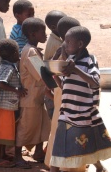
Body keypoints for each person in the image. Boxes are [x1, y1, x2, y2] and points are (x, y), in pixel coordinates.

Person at [50, 26, 111, 172]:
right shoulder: (69, 61)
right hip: (66, 111)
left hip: (84, 113)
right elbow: (65, 86)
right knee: (58, 146)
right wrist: (55, 76)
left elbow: (95, 82)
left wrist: (75, 69)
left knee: (86, 144)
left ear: (80, 44)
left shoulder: (89, 60)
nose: (65, 45)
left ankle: (99, 167)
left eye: (68, 42)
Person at [44, 16, 82, 171]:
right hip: (64, 91)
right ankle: (61, 165)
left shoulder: (69, 48)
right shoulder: (62, 49)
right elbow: (50, 69)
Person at [15, 17, 51, 169]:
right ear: (33, 34)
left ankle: (38, 152)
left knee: (42, 126)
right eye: (43, 31)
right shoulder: (30, 51)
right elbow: (41, 73)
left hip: (36, 98)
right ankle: (17, 156)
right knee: (26, 128)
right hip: (30, 98)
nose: (46, 34)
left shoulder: (33, 49)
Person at [0, 39, 27, 168]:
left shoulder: (10, 65)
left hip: (9, 105)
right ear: (12, 54)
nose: (19, 55)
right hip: (5, 106)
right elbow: (1, 83)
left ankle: (2, 156)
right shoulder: (7, 67)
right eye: (17, 53)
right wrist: (16, 90)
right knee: (1, 133)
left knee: (5, 132)